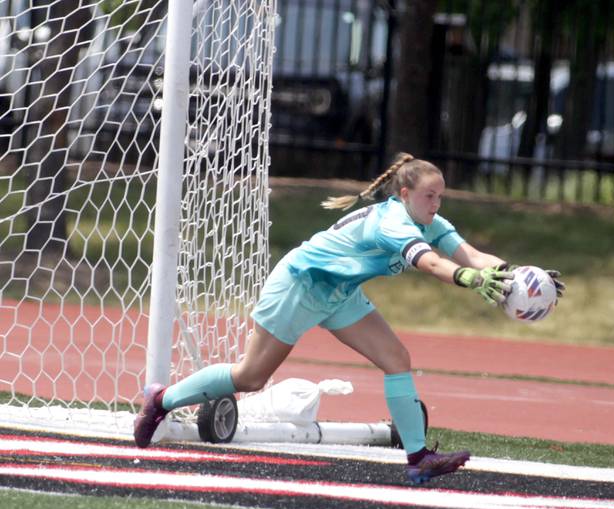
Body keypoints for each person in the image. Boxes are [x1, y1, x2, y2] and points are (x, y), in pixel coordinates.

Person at [133, 152, 565, 484]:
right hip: (301, 284)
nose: (436, 203)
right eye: (429, 196)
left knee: (396, 358)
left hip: (339, 293)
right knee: (249, 378)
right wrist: (471, 279)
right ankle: (161, 400)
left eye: (440, 196)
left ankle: (418, 460)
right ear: (404, 195)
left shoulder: (431, 220)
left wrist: (520, 276)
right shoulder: (393, 223)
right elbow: (434, 265)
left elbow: (469, 256)